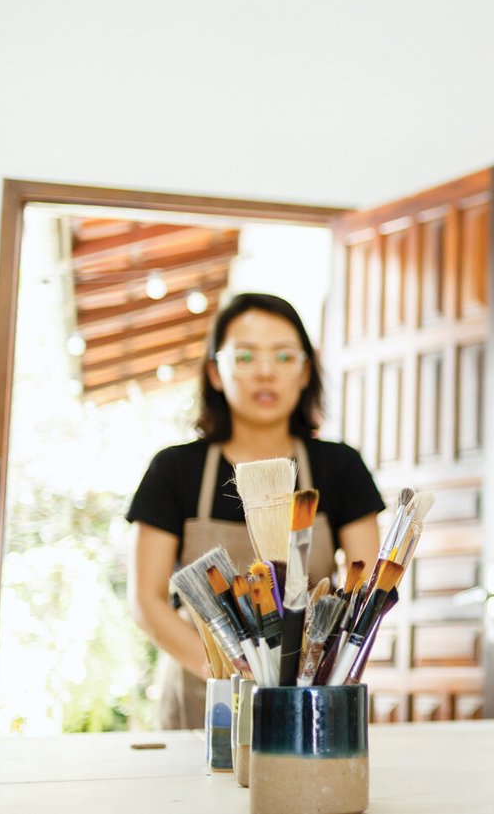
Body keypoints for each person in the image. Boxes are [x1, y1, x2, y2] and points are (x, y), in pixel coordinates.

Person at [126, 292, 384, 729]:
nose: (266, 372)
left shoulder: (339, 467)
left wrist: (311, 674)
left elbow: (367, 588)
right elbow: (147, 601)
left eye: (284, 357)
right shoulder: (174, 469)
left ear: (305, 372)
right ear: (215, 372)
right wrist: (226, 676)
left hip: (309, 695)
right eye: (245, 356)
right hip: (204, 694)